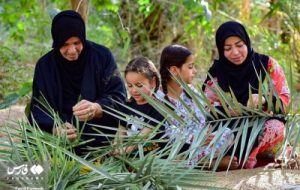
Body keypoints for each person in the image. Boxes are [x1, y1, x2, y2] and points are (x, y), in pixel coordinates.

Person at [28, 10, 127, 155]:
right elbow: (38, 107)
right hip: (58, 140)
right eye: (65, 44)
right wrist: (55, 128)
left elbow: (118, 96)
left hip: (96, 134)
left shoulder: (102, 56)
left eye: (77, 42)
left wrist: (97, 108)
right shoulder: (45, 66)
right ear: (56, 43)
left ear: (83, 38)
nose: (72, 50)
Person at [203, 21, 290, 169]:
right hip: (232, 131)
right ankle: (235, 158)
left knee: (275, 128)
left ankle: (251, 156)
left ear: (247, 42)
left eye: (239, 45)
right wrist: (228, 111)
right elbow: (206, 108)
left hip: (262, 128)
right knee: (213, 136)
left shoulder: (267, 65)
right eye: (228, 48)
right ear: (220, 49)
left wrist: (264, 100)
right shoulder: (216, 73)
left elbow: (285, 101)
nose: (235, 53)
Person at [159, 44, 234, 169]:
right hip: (180, 149)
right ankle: (210, 163)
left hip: (203, 145)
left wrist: (230, 110)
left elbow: (208, 109)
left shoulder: (191, 91)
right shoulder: (159, 99)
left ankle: (203, 162)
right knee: (172, 158)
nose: (195, 71)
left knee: (227, 133)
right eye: (190, 67)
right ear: (174, 70)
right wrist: (196, 138)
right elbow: (167, 132)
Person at [112, 57, 166, 156]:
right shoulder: (127, 106)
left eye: (139, 85)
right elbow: (121, 130)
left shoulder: (159, 109)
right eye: (130, 85)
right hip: (129, 155)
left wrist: (125, 150)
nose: (134, 90)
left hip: (152, 157)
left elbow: (142, 137)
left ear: (152, 82)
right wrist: (116, 145)